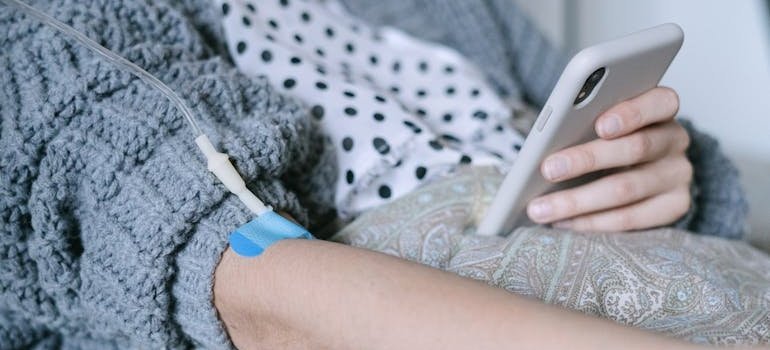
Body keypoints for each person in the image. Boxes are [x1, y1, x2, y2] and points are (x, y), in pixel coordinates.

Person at [0, 0, 748, 349]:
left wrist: (658, 170)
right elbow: (253, 291)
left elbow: (582, 123)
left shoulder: (462, 14)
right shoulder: (53, 37)